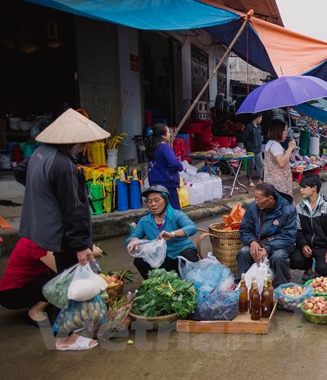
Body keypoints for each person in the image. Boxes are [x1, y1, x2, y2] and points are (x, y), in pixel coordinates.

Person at [17, 108, 109, 350]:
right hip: (63, 235)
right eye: (83, 143)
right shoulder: (62, 164)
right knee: (70, 287)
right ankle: (64, 339)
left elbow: (19, 172)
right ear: (75, 141)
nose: (84, 148)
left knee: (66, 282)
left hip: (46, 229)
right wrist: (81, 246)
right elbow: (74, 209)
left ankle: (70, 332)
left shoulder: (40, 153)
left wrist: (44, 195)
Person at [0, 239, 102, 326]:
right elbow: (62, 270)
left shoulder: (41, 237)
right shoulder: (35, 242)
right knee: (64, 279)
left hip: (29, 283)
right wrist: (89, 253)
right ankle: (35, 311)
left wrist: (84, 249)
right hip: (11, 295)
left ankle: (41, 302)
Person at [125, 185, 200, 279]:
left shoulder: (176, 215)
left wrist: (173, 234)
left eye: (157, 200)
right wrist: (133, 240)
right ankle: (160, 286)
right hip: (160, 257)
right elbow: (133, 236)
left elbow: (192, 227)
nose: (153, 204)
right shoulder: (144, 221)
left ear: (165, 201)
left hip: (180, 251)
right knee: (139, 260)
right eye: (149, 201)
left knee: (188, 256)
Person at [236, 183, 297, 287]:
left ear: (270, 199)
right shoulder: (252, 208)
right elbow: (245, 230)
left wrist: (267, 248)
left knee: (279, 257)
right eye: (255, 198)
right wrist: (252, 241)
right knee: (244, 252)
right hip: (257, 241)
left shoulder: (288, 209)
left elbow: (288, 236)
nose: (256, 201)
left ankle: (281, 287)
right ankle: (241, 285)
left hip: (279, 244)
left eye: (258, 198)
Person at [290, 175, 327, 279]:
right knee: (294, 260)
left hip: (323, 246)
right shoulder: (299, 207)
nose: (301, 190)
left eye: (304, 187)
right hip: (307, 246)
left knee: (324, 269)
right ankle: (308, 268)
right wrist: (303, 245)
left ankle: (318, 270)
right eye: (300, 187)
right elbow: (298, 230)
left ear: (314, 188)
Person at [147, 123, 183, 209]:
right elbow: (174, 163)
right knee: (175, 211)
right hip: (166, 184)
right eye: (168, 132)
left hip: (154, 183)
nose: (170, 134)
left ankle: (137, 223)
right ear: (163, 136)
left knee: (158, 210)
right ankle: (137, 223)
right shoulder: (164, 148)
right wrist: (180, 166)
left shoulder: (152, 147)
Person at [264, 119, 296, 199]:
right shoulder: (275, 145)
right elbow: (281, 163)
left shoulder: (272, 143)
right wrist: (290, 148)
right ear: (277, 131)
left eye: (286, 130)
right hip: (278, 184)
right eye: (284, 130)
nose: (286, 133)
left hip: (273, 181)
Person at [243, 113, 264, 187]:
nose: (261, 119)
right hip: (251, 150)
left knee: (260, 164)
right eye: (261, 118)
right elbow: (244, 138)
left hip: (258, 149)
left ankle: (259, 179)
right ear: (257, 118)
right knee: (251, 165)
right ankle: (249, 179)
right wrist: (248, 147)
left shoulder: (259, 127)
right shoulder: (249, 127)